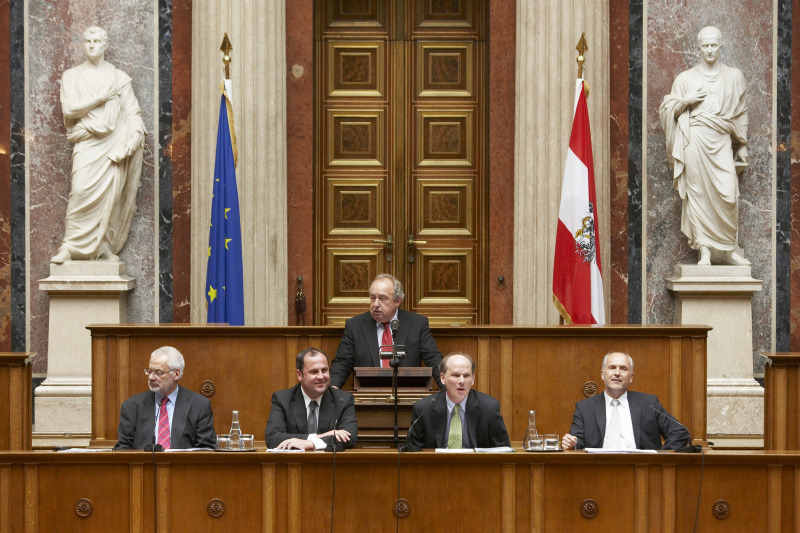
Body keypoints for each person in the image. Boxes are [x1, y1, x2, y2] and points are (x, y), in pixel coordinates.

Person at [51, 26, 146, 263]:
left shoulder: (119, 78)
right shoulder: (71, 76)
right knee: (81, 191)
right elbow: (69, 109)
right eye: (88, 41)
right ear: (83, 44)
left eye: (96, 41)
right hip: (87, 144)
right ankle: (69, 246)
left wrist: (133, 139)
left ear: (106, 45)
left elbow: (133, 114)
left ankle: (103, 247)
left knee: (110, 199)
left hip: (113, 147)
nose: (92, 45)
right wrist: (101, 98)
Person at [658, 26, 749, 266]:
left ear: (721, 45)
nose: (709, 50)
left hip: (720, 141)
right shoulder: (686, 79)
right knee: (697, 195)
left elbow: (740, 113)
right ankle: (705, 249)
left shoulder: (734, 76)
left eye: (713, 45)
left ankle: (728, 249)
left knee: (729, 194)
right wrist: (685, 102)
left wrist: (741, 145)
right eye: (705, 46)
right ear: (698, 48)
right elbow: (667, 111)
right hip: (694, 140)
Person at [330, 274, 443, 389]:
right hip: (368, 395)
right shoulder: (355, 326)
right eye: (373, 298)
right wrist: (333, 387)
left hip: (408, 394)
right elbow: (342, 362)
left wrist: (447, 387)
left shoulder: (417, 324)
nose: (376, 304)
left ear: (397, 301)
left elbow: (433, 359)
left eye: (382, 298)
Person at [562, 352, 691, 451]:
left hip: (642, 471)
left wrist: (659, 458)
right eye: (612, 367)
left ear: (631, 377)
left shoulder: (649, 403)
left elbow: (680, 432)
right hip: (598, 472)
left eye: (623, 369)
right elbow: (576, 443)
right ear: (602, 374)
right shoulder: (585, 408)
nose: (617, 373)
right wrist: (570, 443)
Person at [115, 346, 216, 450]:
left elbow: (206, 450)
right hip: (144, 466)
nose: (151, 377)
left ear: (176, 374)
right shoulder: (131, 406)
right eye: (149, 371)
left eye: (158, 372)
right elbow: (123, 448)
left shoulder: (199, 406)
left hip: (183, 465)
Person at [405, 352, 510, 450]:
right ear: (442, 378)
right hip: (436, 467)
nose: (461, 381)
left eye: (466, 376)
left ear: (473, 379)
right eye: (455, 375)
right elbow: (413, 452)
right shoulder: (424, 409)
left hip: (476, 467)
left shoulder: (489, 407)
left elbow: (504, 449)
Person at [265, 348, 358, 450]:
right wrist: (319, 437)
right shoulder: (283, 399)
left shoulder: (343, 400)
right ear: (299, 375)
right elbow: (272, 438)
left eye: (324, 370)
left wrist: (312, 444)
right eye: (314, 372)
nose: (321, 376)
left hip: (329, 464)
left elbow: (349, 438)